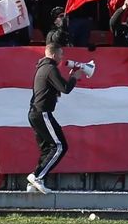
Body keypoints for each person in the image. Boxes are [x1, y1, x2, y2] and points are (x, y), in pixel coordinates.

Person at [25, 35, 85, 194]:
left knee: (47, 149)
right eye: (60, 54)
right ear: (52, 54)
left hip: (35, 113)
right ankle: (37, 177)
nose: (62, 57)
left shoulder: (42, 67)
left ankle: (34, 183)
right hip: (42, 113)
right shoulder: (50, 68)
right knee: (60, 146)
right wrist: (74, 77)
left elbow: (55, 87)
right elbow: (65, 89)